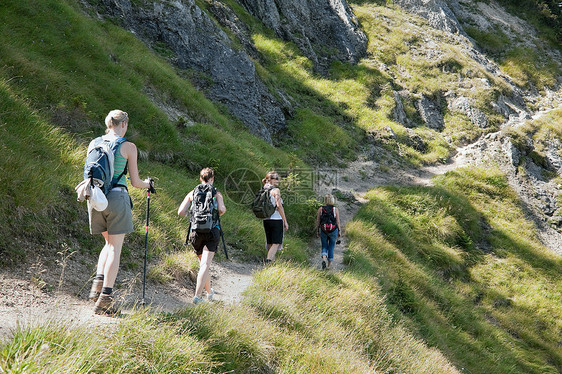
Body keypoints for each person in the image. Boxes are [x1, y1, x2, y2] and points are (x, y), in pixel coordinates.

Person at [87, 110, 155, 315]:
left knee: (108, 244)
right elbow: (135, 182)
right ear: (123, 124)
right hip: (117, 198)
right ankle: (105, 299)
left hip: (96, 198)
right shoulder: (128, 147)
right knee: (116, 247)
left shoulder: (94, 143)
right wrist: (148, 184)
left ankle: (96, 289)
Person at [178, 167, 226, 304]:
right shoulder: (217, 193)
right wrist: (215, 214)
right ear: (212, 179)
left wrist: (192, 216)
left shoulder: (193, 192)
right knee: (205, 264)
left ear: (200, 178)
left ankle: (210, 293)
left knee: (203, 265)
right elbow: (222, 209)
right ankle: (198, 296)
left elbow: (181, 212)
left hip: (196, 231)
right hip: (211, 230)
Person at [261, 171, 288, 262]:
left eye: (278, 178)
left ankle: (271, 264)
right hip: (276, 219)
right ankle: (268, 261)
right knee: (276, 243)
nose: (277, 180)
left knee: (269, 242)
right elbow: (279, 206)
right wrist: (285, 221)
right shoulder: (276, 190)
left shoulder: (264, 189)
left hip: (266, 219)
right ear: (270, 180)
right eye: (275, 178)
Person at [315, 194, 341, 269]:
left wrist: (317, 231)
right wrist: (339, 231)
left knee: (324, 245)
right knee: (331, 246)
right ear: (332, 200)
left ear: (325, 200)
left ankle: (323, 258)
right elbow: (338, 222)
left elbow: (318, 221)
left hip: (324, 229)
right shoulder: (335, 209)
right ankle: (329, 265)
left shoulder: (320, 209)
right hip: (333, 230)